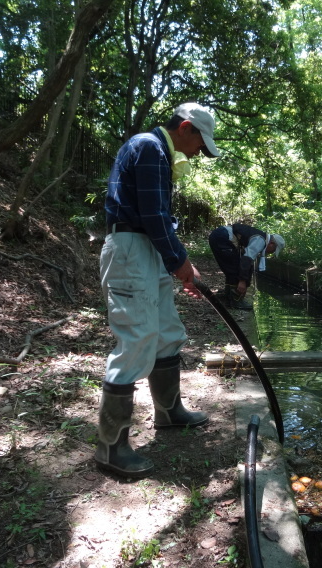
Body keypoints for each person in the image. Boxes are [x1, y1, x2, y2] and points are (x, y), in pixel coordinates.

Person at [96, 102, 220, 479]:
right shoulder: (150, 147)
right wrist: (179, 261)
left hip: (147, 249)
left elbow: (159, 218)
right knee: (137, 339)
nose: (199, 152)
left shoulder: (158, 153)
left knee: (167, 331)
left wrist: (178, 263)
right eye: (201, 142)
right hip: (132, 250)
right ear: (185, 128)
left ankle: (168, 411)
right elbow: (152, 214)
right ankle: (110, 447)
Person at [208, 223, 285, 310]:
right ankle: (236, 301)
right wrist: (242, 281)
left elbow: (249, 263)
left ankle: (228, 296)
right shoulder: (260, 241)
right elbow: (246, 260)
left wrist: (246, 280)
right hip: (222, 237)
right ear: (271, 243)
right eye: (274, 250)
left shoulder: (260, 238)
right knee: (234, 268)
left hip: (219, 235)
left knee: (232, 267)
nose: (271, 252)